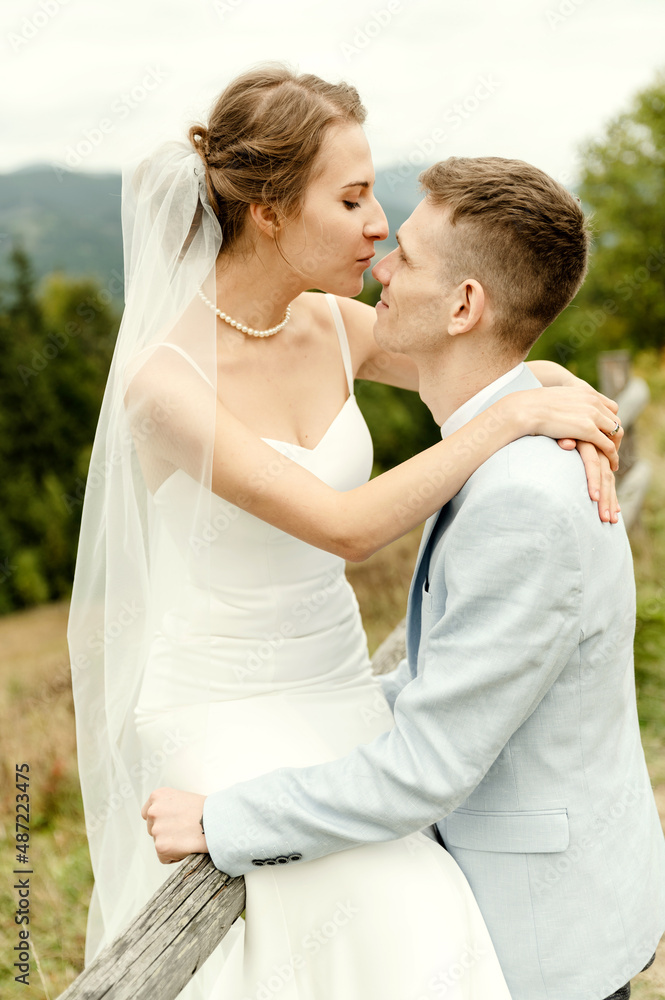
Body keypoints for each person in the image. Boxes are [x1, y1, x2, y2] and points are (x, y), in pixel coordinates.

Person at [69, 66, 623, 1000]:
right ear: (270, 211)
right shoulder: (164, 386)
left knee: (428, 917)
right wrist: (511, 423)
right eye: (353, 197)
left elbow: (472, 355)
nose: (379, 225)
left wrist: (570, 395)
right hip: (216, 704)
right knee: (379, 913)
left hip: (339, 690)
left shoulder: (332, 324)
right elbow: (343, 528)